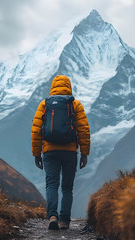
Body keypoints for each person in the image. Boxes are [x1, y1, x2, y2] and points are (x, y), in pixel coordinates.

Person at [31, 75, 90, 230]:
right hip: (69, 151)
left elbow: (36, 131)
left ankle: (52, 216)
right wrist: (84, 153)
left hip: (50, 152)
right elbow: (84, 130)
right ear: (69, 86)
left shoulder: (44, 104)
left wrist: (37, 154)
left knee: (51, 184)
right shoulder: (75, 104)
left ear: (53, 87)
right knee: (67, 187)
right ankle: (64, 221)